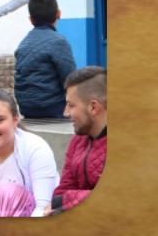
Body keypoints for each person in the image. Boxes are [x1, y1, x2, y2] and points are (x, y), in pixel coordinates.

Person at [12, 0, 78, 119]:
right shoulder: (59, 42)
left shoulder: (24, 43)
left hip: (26, 108)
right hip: (52, 108)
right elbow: (71, 79)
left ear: (31, 19)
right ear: (59, 14)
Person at [54, 65, 107, 213]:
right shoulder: (78, 141)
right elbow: (61, 193)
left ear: (93, 108)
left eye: (71, 105)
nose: (65, 113)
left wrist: (64, 201)